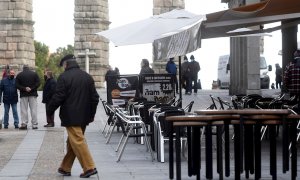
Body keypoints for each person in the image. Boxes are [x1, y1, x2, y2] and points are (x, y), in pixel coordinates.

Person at [46, 54, 99, 178]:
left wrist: (50, 110)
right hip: (84, 116)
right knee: (73, 142)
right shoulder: (87, 77)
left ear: (66, 64)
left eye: (63, 65)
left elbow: (59, 96)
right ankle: (65, 167)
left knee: (78, 141)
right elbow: (94, 98)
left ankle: (89, 167)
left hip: (70, 116)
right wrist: (91, 114)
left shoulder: (64, 77)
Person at [16, 64, 40, 130]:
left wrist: (24, 88)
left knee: (24, 110)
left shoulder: (19, 75)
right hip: (33, 93)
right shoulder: (34, 74)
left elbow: (17, 85)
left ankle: (24, 124)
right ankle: (34, 124)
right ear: (28, 68)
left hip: (23, 94)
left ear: (23, 68)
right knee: (33, 110)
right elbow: (38, 83)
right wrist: (31, 88)